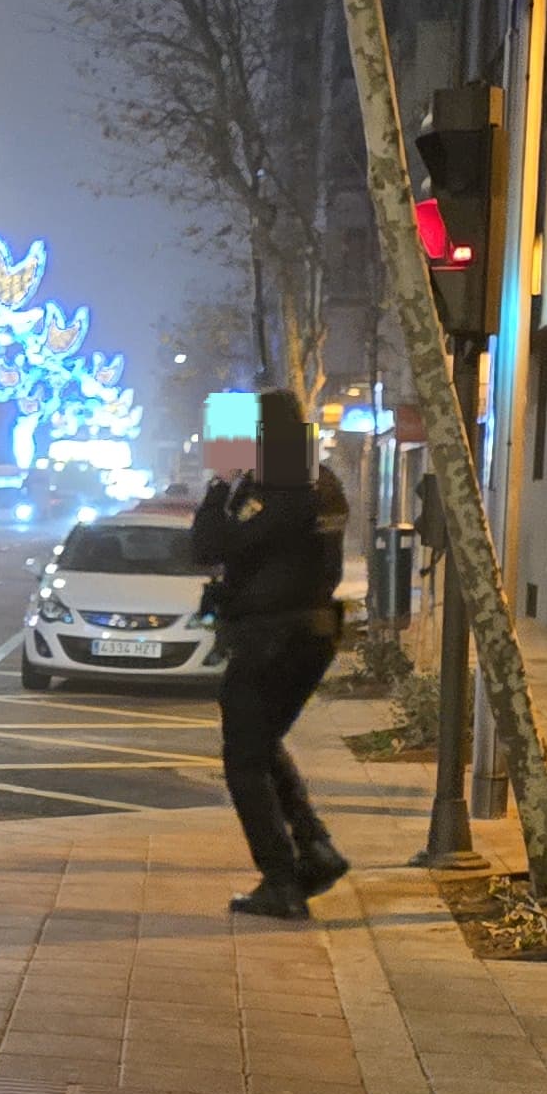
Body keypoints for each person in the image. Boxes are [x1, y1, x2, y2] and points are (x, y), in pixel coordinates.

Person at [193, 390, 353, 920]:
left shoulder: (276, 486)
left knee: (243, 758)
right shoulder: (322, 480)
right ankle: (315, 847)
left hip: (271, 638)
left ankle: (281, 879)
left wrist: (219, 486)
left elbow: (210, 546)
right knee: (262, 744)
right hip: (312, 633)